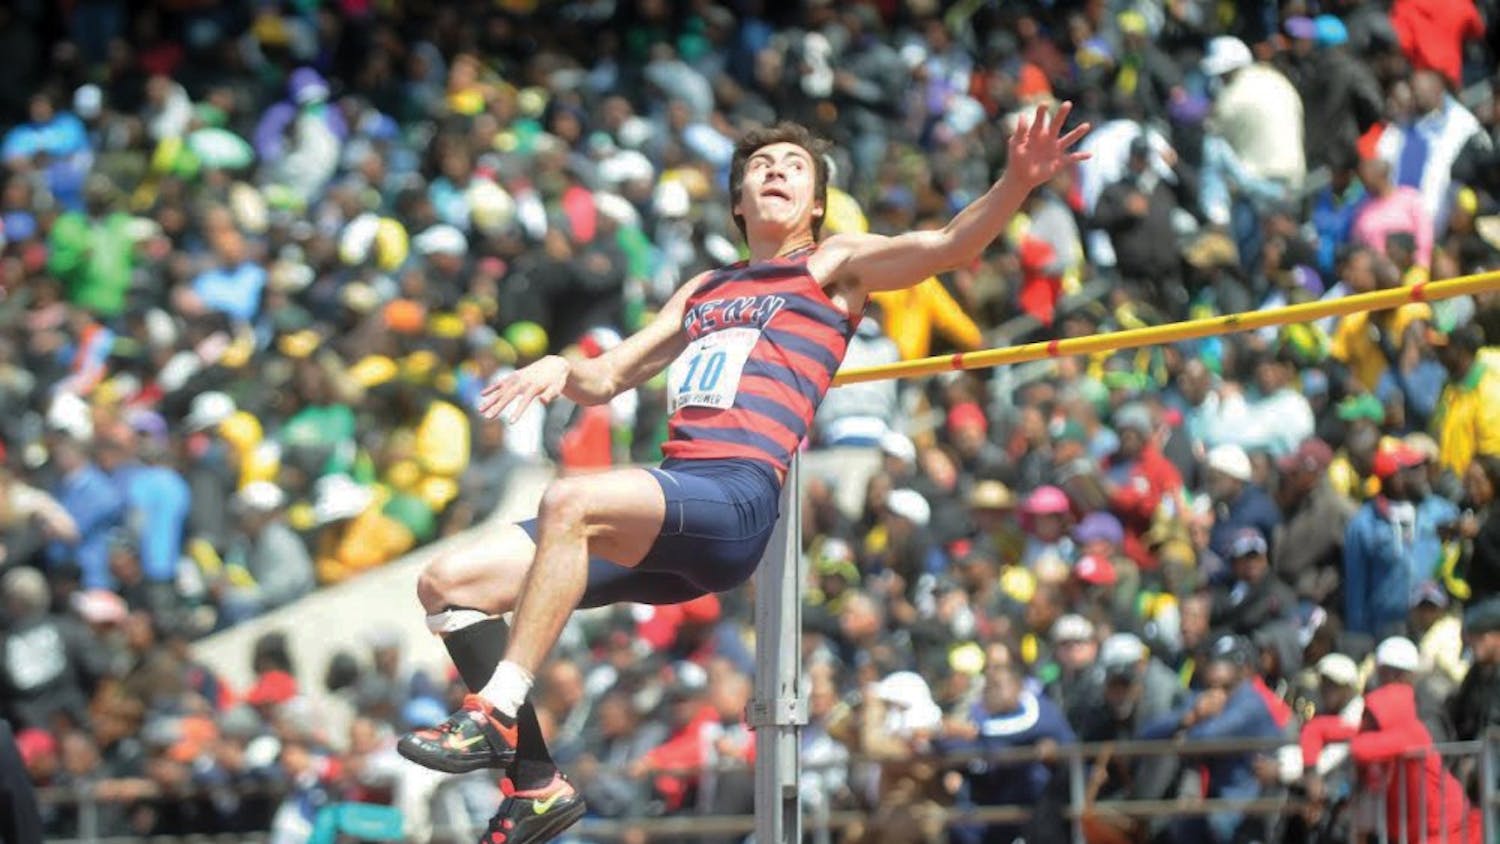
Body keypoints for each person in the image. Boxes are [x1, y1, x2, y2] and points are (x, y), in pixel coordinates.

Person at [394, 109, 1091, 840]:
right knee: (448, 584)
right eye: (762, 167)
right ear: (737, 203)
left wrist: (1016, 181)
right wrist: (557, 366)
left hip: (734, 500)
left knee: (572, 497)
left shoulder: (834, 263)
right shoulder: (704, 289)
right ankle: (535, 782)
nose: (776, 172)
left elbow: (950, 245)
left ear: (816, 202)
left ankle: (494, 711)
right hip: (671, 511)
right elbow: (606, 378)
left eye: (795, 166)